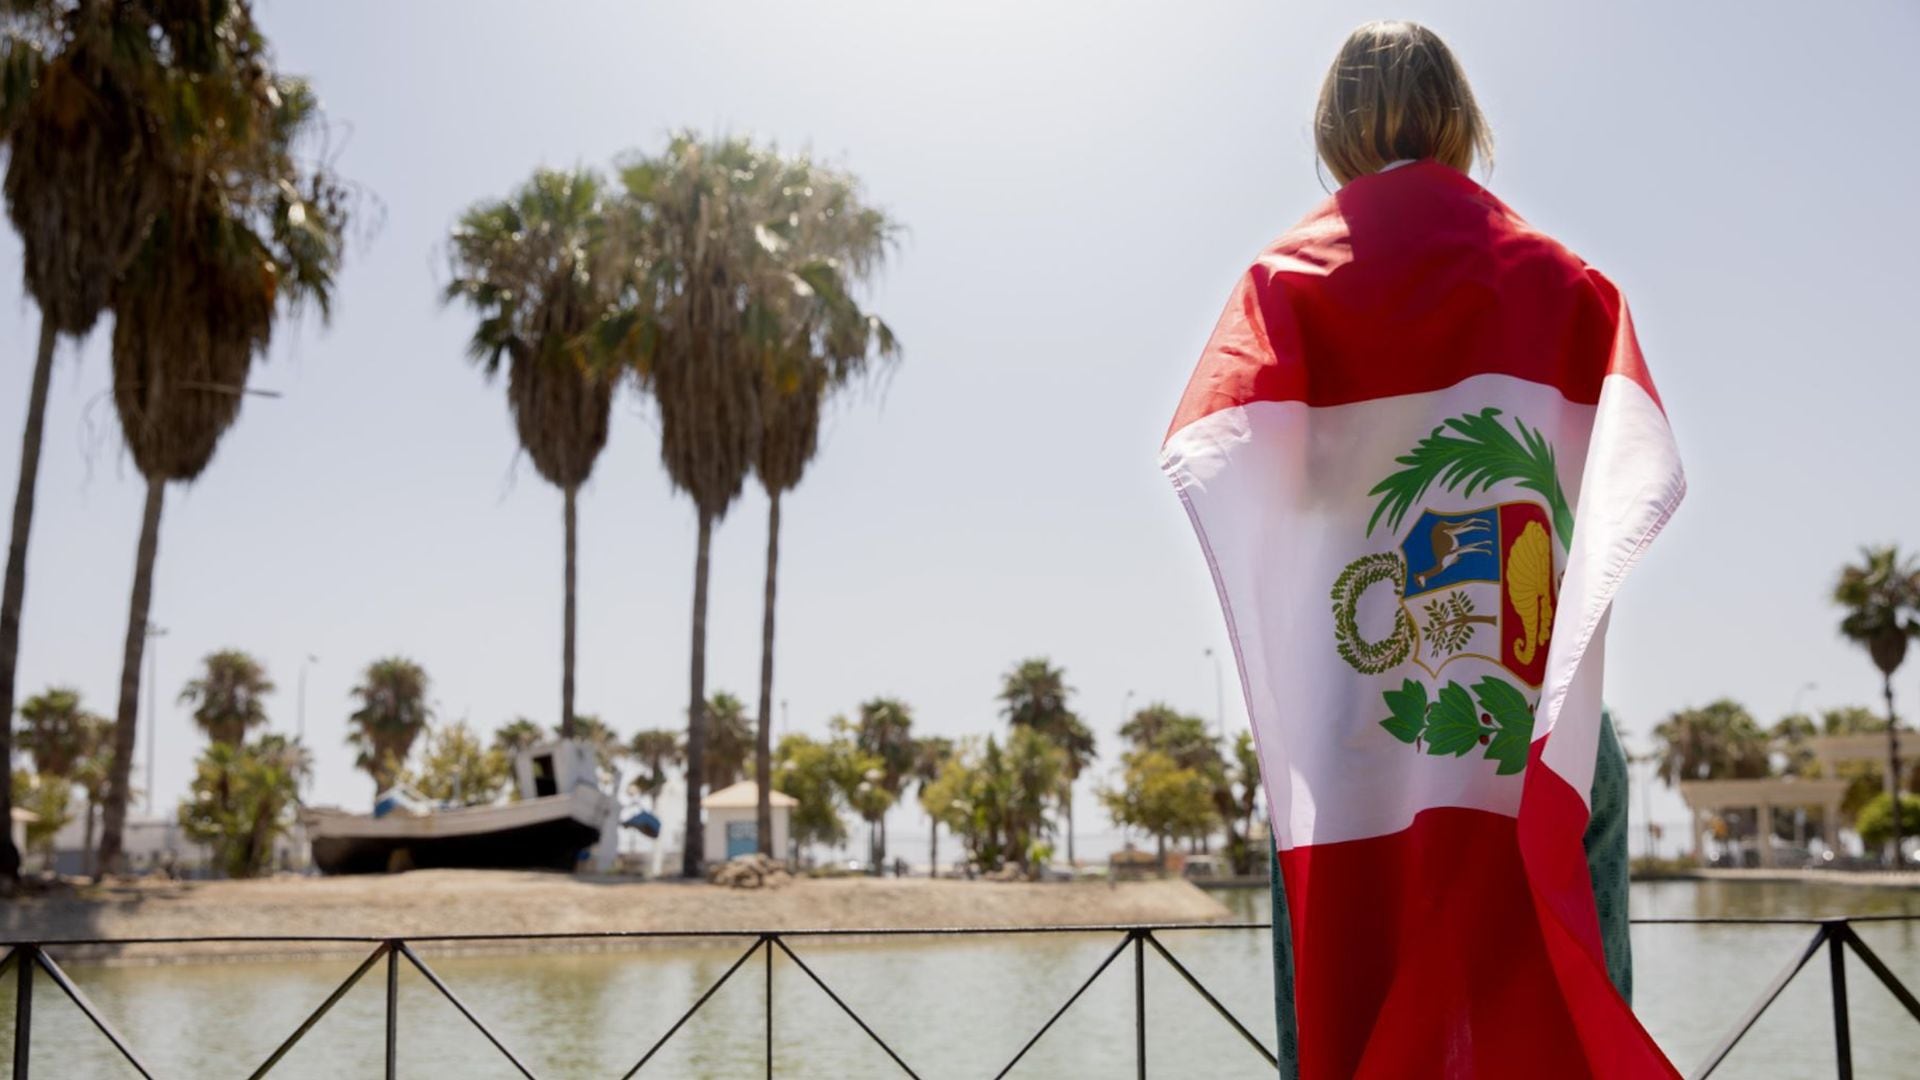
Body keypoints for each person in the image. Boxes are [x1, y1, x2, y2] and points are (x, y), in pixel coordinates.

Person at [1161, 21, 1682, 1078]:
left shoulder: (1284, 288)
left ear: (1332, 129)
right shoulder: (1567, 283)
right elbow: (1618, 470)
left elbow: (1229, 461)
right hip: (1536, 718)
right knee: (1557, 1008)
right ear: (1461, 119)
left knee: (1347, 1004)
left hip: (1355, 722)